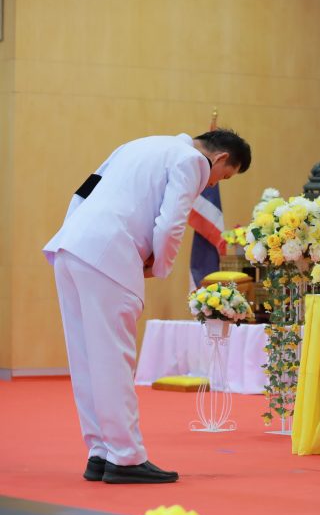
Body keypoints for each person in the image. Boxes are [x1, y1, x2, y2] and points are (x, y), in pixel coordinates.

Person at [44, 129, 252, 484]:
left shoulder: (136, 144)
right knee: (112, 358)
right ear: (218, 159)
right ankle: (125, 457)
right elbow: (171, 223)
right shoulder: (191, 161)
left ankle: (100, 452)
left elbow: (82, 192)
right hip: (109, 253)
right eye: (224, 176)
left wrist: (75, 233)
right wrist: (158, 266)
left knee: (85, 357)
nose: (214, 183)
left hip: (71, 246)